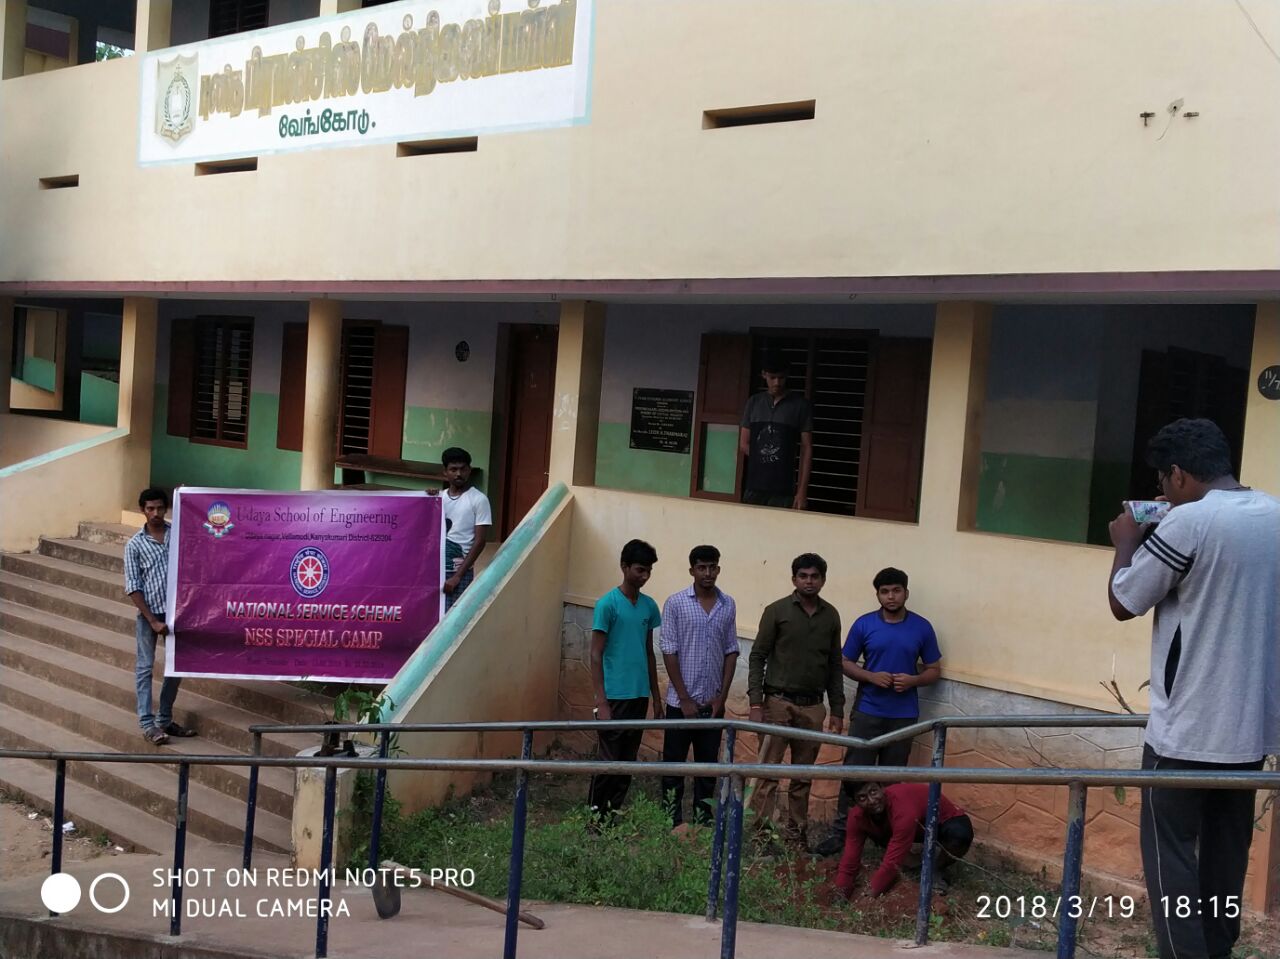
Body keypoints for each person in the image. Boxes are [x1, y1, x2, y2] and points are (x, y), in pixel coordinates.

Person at [1108, 418, 1279, 959]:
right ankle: (1218, 951)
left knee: (1171, 861)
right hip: (1249, 734)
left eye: (1163, 480)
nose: (1162, 491)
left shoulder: (1190, 523)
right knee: (1226, 858)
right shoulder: (1274, 514)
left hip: (1185, 731)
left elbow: (1124, 602)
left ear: (1178, 474)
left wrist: (1126, 542)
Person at [816, 567, 942, 856]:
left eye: (896, 590)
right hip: (868, 710)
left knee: (892, 780)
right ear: (878, 595)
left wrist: (913, 680)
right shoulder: (865, 624)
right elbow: (844, 662)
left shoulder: (922, 627)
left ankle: (888, 838)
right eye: (885, 592)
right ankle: (842, 833)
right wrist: (870, 676)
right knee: (854, 774)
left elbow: (934, 669)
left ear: (906, 593)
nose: (891, 596)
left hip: (904, 715)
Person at [747, 553, 845, 844]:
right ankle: (762, 837)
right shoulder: (777, 611)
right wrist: (756, 702)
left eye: (815, 576)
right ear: (794, 579)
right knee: (768, 773)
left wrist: (837, 708)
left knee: (802, 776)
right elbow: (757, 656)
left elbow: (834, 664)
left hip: (813, 707)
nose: (809, 581)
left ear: (823, 580)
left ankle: (796, 837)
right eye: (803, 576)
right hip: (777, 702)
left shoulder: (831, 615)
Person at [659, 545, 740, 827]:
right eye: (702, 567)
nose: (708, 573)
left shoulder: (727, 604)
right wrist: (684, 698)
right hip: (680, 704)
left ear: (718, 569)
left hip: (711, 705)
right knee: (673, 767)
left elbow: (731, 650)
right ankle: (671, 823)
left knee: (707, 769)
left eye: (712, 567)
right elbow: (669, 650)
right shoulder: (676, 603)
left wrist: (721, 698)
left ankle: (703, 824)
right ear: (692, 570)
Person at [588, 539, 663, 817]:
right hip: (614, 695)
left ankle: (612, 818)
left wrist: (656, 698)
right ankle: (594, 819)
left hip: (639, 695)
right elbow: (595, 654)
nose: (645, 576)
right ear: (624, 567)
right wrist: (602, 701)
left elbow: (649, 652)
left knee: (627, 760)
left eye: (649, 571)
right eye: (640, 570)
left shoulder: (649, 606)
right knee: (608, 761)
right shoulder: (607, 604)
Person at [124, 488, 195, 746]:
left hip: (177, 612)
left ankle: (164, 719)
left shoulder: (178, 535)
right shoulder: (135, 545)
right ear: (142, 510)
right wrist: (152, 620)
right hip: (149, 615)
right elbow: (133, 586)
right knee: (145, 668)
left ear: (166, 508)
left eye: (160, 508)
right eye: (150, 508)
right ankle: (147, 723)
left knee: (175, 667)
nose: (155, 513)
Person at [835, 781, 972, 898]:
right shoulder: (856, 817)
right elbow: (850, 859)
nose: (871, 800)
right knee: (883, 830)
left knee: (960, 835)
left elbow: (892, 862)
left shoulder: (902, 807)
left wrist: (871, 892)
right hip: (912, 827)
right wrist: (841, 891)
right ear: (854, 802)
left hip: (942, 823)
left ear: (882, 788)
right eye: (862, 797)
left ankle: (935, 869)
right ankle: (915, 861)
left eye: (873, 791)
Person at [738, 351, 814, 509]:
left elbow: (807, 448)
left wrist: (802, 491)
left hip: (784, 488)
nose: (777, 383)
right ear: (764, 375)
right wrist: (765, 455)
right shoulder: (754, 402)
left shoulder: (800, 405)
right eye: (772, 378)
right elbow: (743, 443)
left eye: (781, 378)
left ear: (787, 376)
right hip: (754, 485)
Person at [437, 447, 491, 611]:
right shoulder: (438, 498)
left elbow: (480, 541)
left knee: (455, 617)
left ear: (469, 470)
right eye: (453, 469)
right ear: (445, 472)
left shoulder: (479, 500)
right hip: (436, 570)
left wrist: (458, 576)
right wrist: (427, 499)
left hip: (459, 572)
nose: (458, 474)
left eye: (463, 469)